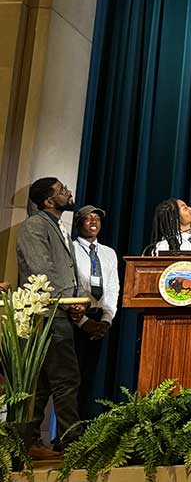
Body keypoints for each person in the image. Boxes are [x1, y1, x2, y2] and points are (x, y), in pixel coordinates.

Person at [17, 178, 83, 458]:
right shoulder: (35, 226)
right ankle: (73, 444)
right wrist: (69, 303)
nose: (68, 192)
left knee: (44, 382)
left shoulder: (56, 227)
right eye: (62, 190)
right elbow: (40, 270)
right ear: (47, 201)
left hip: (59, 312)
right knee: (66, 379)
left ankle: (30, 443)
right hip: (48, 313)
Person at [71, 205, 120, 421]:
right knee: (73, 378)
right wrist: (83, 321)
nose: (93, 221)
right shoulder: (69, 249)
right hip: (75, 318)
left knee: (91, 377)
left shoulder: (108, 253)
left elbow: (113, 287)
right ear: (78, 223)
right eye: (87, 218)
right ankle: (67, 431)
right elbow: (69, 285)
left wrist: (107, 320)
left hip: (100, 320)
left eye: (97, 218)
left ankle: (86, 426)